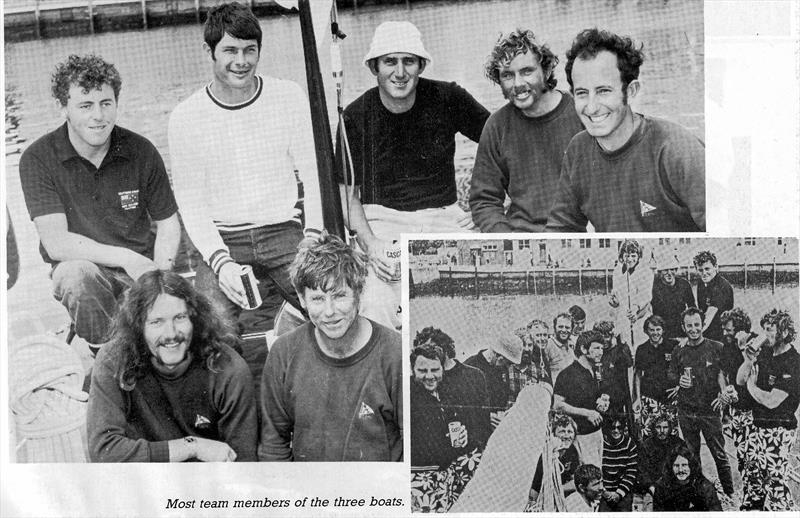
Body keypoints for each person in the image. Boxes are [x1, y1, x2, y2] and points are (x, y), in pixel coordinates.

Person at [168, 2, 322, 336]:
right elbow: (191, 203)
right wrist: (221, 263)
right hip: (223, 237)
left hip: (284, 231)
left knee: (327, 308)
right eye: (230, 50)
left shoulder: (287, 96)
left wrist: (313, 237)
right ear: (209, 51)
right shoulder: (185, 116)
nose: (241, 62)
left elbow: (314, 173)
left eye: (250, 50)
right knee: (210, 330)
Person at [19, 54, 181, 354]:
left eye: (106, 103)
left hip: (141, 272)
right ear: (63, 107)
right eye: (85, 105)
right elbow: (56, 243)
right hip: (89, 274)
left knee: (206, 329)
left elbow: (169, 223)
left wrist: (160, 277)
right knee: (75, 275)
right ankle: (109, 358)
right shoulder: (37, 158)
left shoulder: (141, 150)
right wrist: (126, 258)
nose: (98, 116)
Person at [335, 21, 489, 330]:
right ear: (374, 67)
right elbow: (348, 195)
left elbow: (501, 142)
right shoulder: (354, 116)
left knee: (482, 285)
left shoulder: (448, 97)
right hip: (381, 222)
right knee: (375, 299)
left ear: (420, 65)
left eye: (409, 61)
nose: (400, 72)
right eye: (390, 61)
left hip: (444, 218)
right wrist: (370, 242)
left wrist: (484, 206)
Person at [258, 233, 402, 462]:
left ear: (359, 292)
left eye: (339, 296)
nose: (329, 311)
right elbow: (274, 445)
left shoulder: (395, 353)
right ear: (302, 299)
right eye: (317, 299)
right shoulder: (283, 353)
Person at [87, 270, 257, 462]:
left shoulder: (228, 368)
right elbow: (104, 450)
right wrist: (192, 446)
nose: (171, 333)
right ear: (138, 326)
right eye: (156, 322)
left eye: (180, 317)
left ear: (195, 319)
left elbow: (244, 461)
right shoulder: (114, 359)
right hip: (145, 480)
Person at [546, 28, 705, 232]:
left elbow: (729, 231)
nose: (592, 107)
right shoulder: (578, 150)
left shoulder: (676, 149)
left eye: (603, 91)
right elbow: (561, 230)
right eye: (582, 93)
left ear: (630, 92)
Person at [469, 28, 583, 232]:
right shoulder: (497, 125)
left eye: (527, 71)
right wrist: (504, 237)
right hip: (521, 236)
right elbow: (484, 200)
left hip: (579, 233)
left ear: (546, 71)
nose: (518, 84)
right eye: (507, 75)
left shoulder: (582, 112)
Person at [736, 309, 800, 510]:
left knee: (775, 482)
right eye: (763, 328)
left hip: (780, 429)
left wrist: (752, 386)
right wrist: (748, 361)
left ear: (783, 332)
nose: (764, 334)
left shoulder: (794, 362)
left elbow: (772, 401)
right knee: (752, 476)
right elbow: (739, 380)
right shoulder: (764, 353)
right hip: (757, 425)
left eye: (769, 329)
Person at [668, 307, 734, 497]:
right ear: (683, 327)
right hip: (686, 411)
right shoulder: (678, 350)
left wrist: (724, 394)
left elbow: (726, 374)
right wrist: (679, 380)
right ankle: (697, 494)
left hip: (709, 411)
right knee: (692, 455)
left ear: (703, 324)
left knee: (719, 454)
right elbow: (671, 374)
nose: (693, 329)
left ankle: (730, 494)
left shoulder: (717, 347)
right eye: (689, 326)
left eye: (697, 324)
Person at [410, 343, 480, 512]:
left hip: (444, 477)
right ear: (412, 370)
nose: (429, 376)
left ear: (442, 369)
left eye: (435, 370)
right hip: (420, 480)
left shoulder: (446, 393)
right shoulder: (409, 397)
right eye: (422, 370)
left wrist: (464, 435)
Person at [413, 327, 490, 451]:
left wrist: (470, 437)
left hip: (472, 454)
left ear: (445, 349)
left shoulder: (475, 376)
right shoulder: (425, 381)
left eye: (431, 350)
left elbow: (484, 423)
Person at [553, 330, 608, 467]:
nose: (600, 352)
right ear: (583, 349)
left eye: (602, 348)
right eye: (596, 348)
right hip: (580, 436)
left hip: (596, 434)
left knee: (596, 475)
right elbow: (558, 405)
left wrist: (602, 402)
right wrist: (587, 413)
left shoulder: (594, 371)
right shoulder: (568, 374)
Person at [718, 307, 756, 475]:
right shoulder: (727, 345)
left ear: (740, 329)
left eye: (728, 329)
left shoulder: (756, 343)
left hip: (755, 408)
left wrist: (742, 348)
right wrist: (724, 391)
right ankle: (748, 491)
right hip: (736, 406)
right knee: (741, 452)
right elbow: (722, 372)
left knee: (755, 453)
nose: (724, 332)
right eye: (723, 328)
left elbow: (753, 370)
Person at [464, 331, 521, 427]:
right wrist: (485, 416)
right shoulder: (470, 367)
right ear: (499, 357)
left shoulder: (501, 368)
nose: (508, 367)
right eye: (507, 363)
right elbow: (463, 405)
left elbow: (503, 397)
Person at [633, 315, 680, 430]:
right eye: (651, 330)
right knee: (649, 432)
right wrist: (637, 398)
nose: (655, 333)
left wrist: (679, 387)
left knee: (671, 433)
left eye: (658, 329)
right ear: (646, 331)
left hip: (670, 398)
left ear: (663, 330)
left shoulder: (673, 346)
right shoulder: (641, 349)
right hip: (649, 398)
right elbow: (638, 375)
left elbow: (683, 368)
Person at [609, 239, 653, 349]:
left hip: (640, 315)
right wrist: (614, 302)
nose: (630, 259)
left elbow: (646, 295)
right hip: (622, 317)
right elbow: (617, 295)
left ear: (638, 256)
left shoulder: (646, 271)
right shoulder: (616, 272)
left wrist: (635, 308)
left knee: (641, 346)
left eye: (633, 255)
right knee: (624, 347)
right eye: (626, 256)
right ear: (622, 256)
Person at [529, 414, 581, 505]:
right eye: (562, 431)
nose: (566, 435)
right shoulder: (545, 454)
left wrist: (557, 489)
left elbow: (575, 482)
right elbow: (535, 486)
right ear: (553, 434)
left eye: (570, 432)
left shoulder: (572, 451)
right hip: (541, 495)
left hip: (559, 494)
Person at [653, 444, 722, 511]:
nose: (680, 470)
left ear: (691, 466)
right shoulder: (662, 486)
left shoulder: (704, 486)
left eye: (684, 465)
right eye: (676, 466)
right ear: (671, 467)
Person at [637, 412, 686, 506]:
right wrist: (651, 487)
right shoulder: (647, 445)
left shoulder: (678, 443)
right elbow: (642, 470)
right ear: (653, 428)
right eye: (658, 427)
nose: (662, 431)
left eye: (665, 427)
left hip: (676, 486)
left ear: (670, 428)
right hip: (654, 487)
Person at [593, 321, 634, 424]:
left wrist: (621, 341)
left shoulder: (619, 350)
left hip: (618, 399)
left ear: (612, 336)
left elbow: (629, 363)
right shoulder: (594, 352)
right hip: (601, 399)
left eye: (607, 336)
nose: (604, 341)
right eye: (600, 337)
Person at [651, 255, 695, 339]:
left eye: (672, 269)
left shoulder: (684, 284)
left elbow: (692, 307)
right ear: (660, 272)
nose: (669, 273)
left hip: (681, 327)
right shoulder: (655, 287)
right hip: (662, 329)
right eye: (665, 270)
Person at [509, 322, 552, 408]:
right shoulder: (507, 368)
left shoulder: (539, 371)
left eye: (530, 345)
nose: (527, 349)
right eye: (523, 345)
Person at [600, 416, 638, 512]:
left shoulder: (629, 444)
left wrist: (619, 493)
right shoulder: (600, 443)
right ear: (607, 429)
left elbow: (631, 473)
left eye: (619, 428)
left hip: (623, 491)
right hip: (603, 492)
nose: (616, 431)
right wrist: (604, 492)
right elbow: (596, 471)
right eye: (613, 428)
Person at [694, 250, 733, 343]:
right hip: (707, 333)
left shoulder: (722, 286)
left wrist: (692, 336)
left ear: (715, 267)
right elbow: (701, 311)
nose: (704, 273)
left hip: (722, 335)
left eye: (707, 269)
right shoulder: (701, 283)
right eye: (700, 270)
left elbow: (709, 316)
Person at [542, 313, 575, 383]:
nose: (564, 330)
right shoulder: (548, 345)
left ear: (571, 329)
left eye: (567, 327)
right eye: (560, 326)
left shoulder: (572, 345)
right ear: (554, 327)